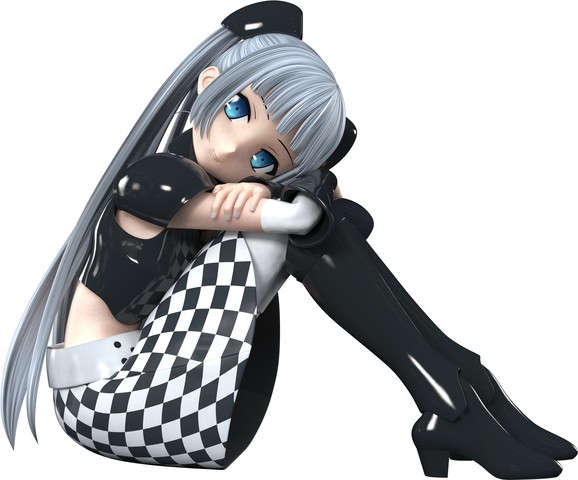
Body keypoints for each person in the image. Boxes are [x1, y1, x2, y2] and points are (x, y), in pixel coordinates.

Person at [1, 2, 575, 478]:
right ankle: (450, 399)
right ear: (210, 84)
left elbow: (346, 225)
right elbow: (298, 223)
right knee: (284, 238)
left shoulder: (224, 186)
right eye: (237, 108)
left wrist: (302, 193)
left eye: (263, 157)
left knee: (317, 232)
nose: (232, 148)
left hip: (172, 388)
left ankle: (466, 386)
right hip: (111, 402)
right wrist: (289, 193)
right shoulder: (154, 178)